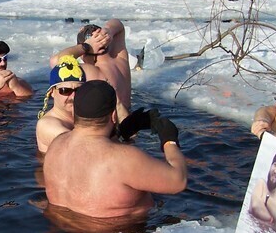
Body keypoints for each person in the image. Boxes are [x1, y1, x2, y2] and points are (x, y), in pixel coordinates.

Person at [43, 80, 187, 219]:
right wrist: (169, 140)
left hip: (61, 231)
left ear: (75, 112)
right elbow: (178, 181)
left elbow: (95, 152)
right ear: (113, 115)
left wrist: (122, 132)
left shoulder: (57, 144)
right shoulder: (124, 158)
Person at [49, 19, 132, 117]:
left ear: (82, 54)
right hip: (129, 117)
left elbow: (56, 61)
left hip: (109, 126)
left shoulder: (92, 72)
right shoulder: (120, 60)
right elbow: (119, 26)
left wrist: (86, 46)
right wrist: (108, 30)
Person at [36, 55, 86, 153]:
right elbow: (80, 147)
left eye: (79, 90)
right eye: (65, 91)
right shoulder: (47, 125)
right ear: (52, 92)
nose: (73, 96)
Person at [249, 150, 276, 224]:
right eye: (274, 165)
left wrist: (266, 199)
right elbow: (255, 206)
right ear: (270, 166)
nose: (275, 170)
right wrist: (272, 218)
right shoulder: (261, 184)